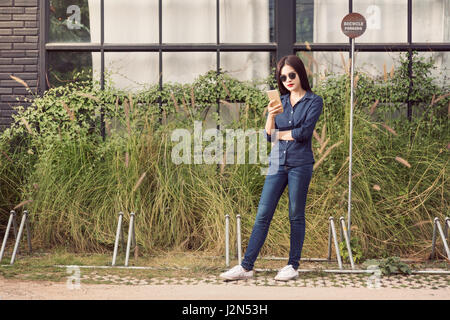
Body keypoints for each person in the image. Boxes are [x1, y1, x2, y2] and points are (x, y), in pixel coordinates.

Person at [220, 55, 323, 281]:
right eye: (283, 77)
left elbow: (304, 134)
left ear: (300, 74)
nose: (287, 79)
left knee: (296, 215)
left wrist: (282, 135)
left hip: (300, 165)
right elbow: (269, 136)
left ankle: (292, 266)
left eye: (291, 75)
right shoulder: (281, 102)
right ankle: (246, 267)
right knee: (262, 215)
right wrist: (271, 115)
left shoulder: (314, 101)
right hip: (277, 163)